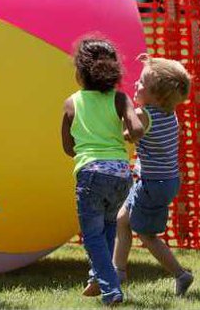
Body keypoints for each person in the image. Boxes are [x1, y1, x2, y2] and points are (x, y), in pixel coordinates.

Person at [61, 37, 144, 305]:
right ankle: (97, 278)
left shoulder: (71, 103)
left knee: (93, 235)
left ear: (80, 72)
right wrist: (132, 133)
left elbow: (67, 147)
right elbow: (137, 129)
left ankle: (111, 289)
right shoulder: (121, 99)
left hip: (91, 173)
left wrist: (88, 153)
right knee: (108, 228)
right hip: (121, 174)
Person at [113, 54, 194, 296]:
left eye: (141, 83)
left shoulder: (144, 116)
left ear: (157, 96)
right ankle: (118, 272)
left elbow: (129, 133)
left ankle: (181, 274)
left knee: (146, 234)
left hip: (153, 184)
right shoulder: (169, 112)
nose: (136, 85)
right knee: (122, 220)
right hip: (164, 181)